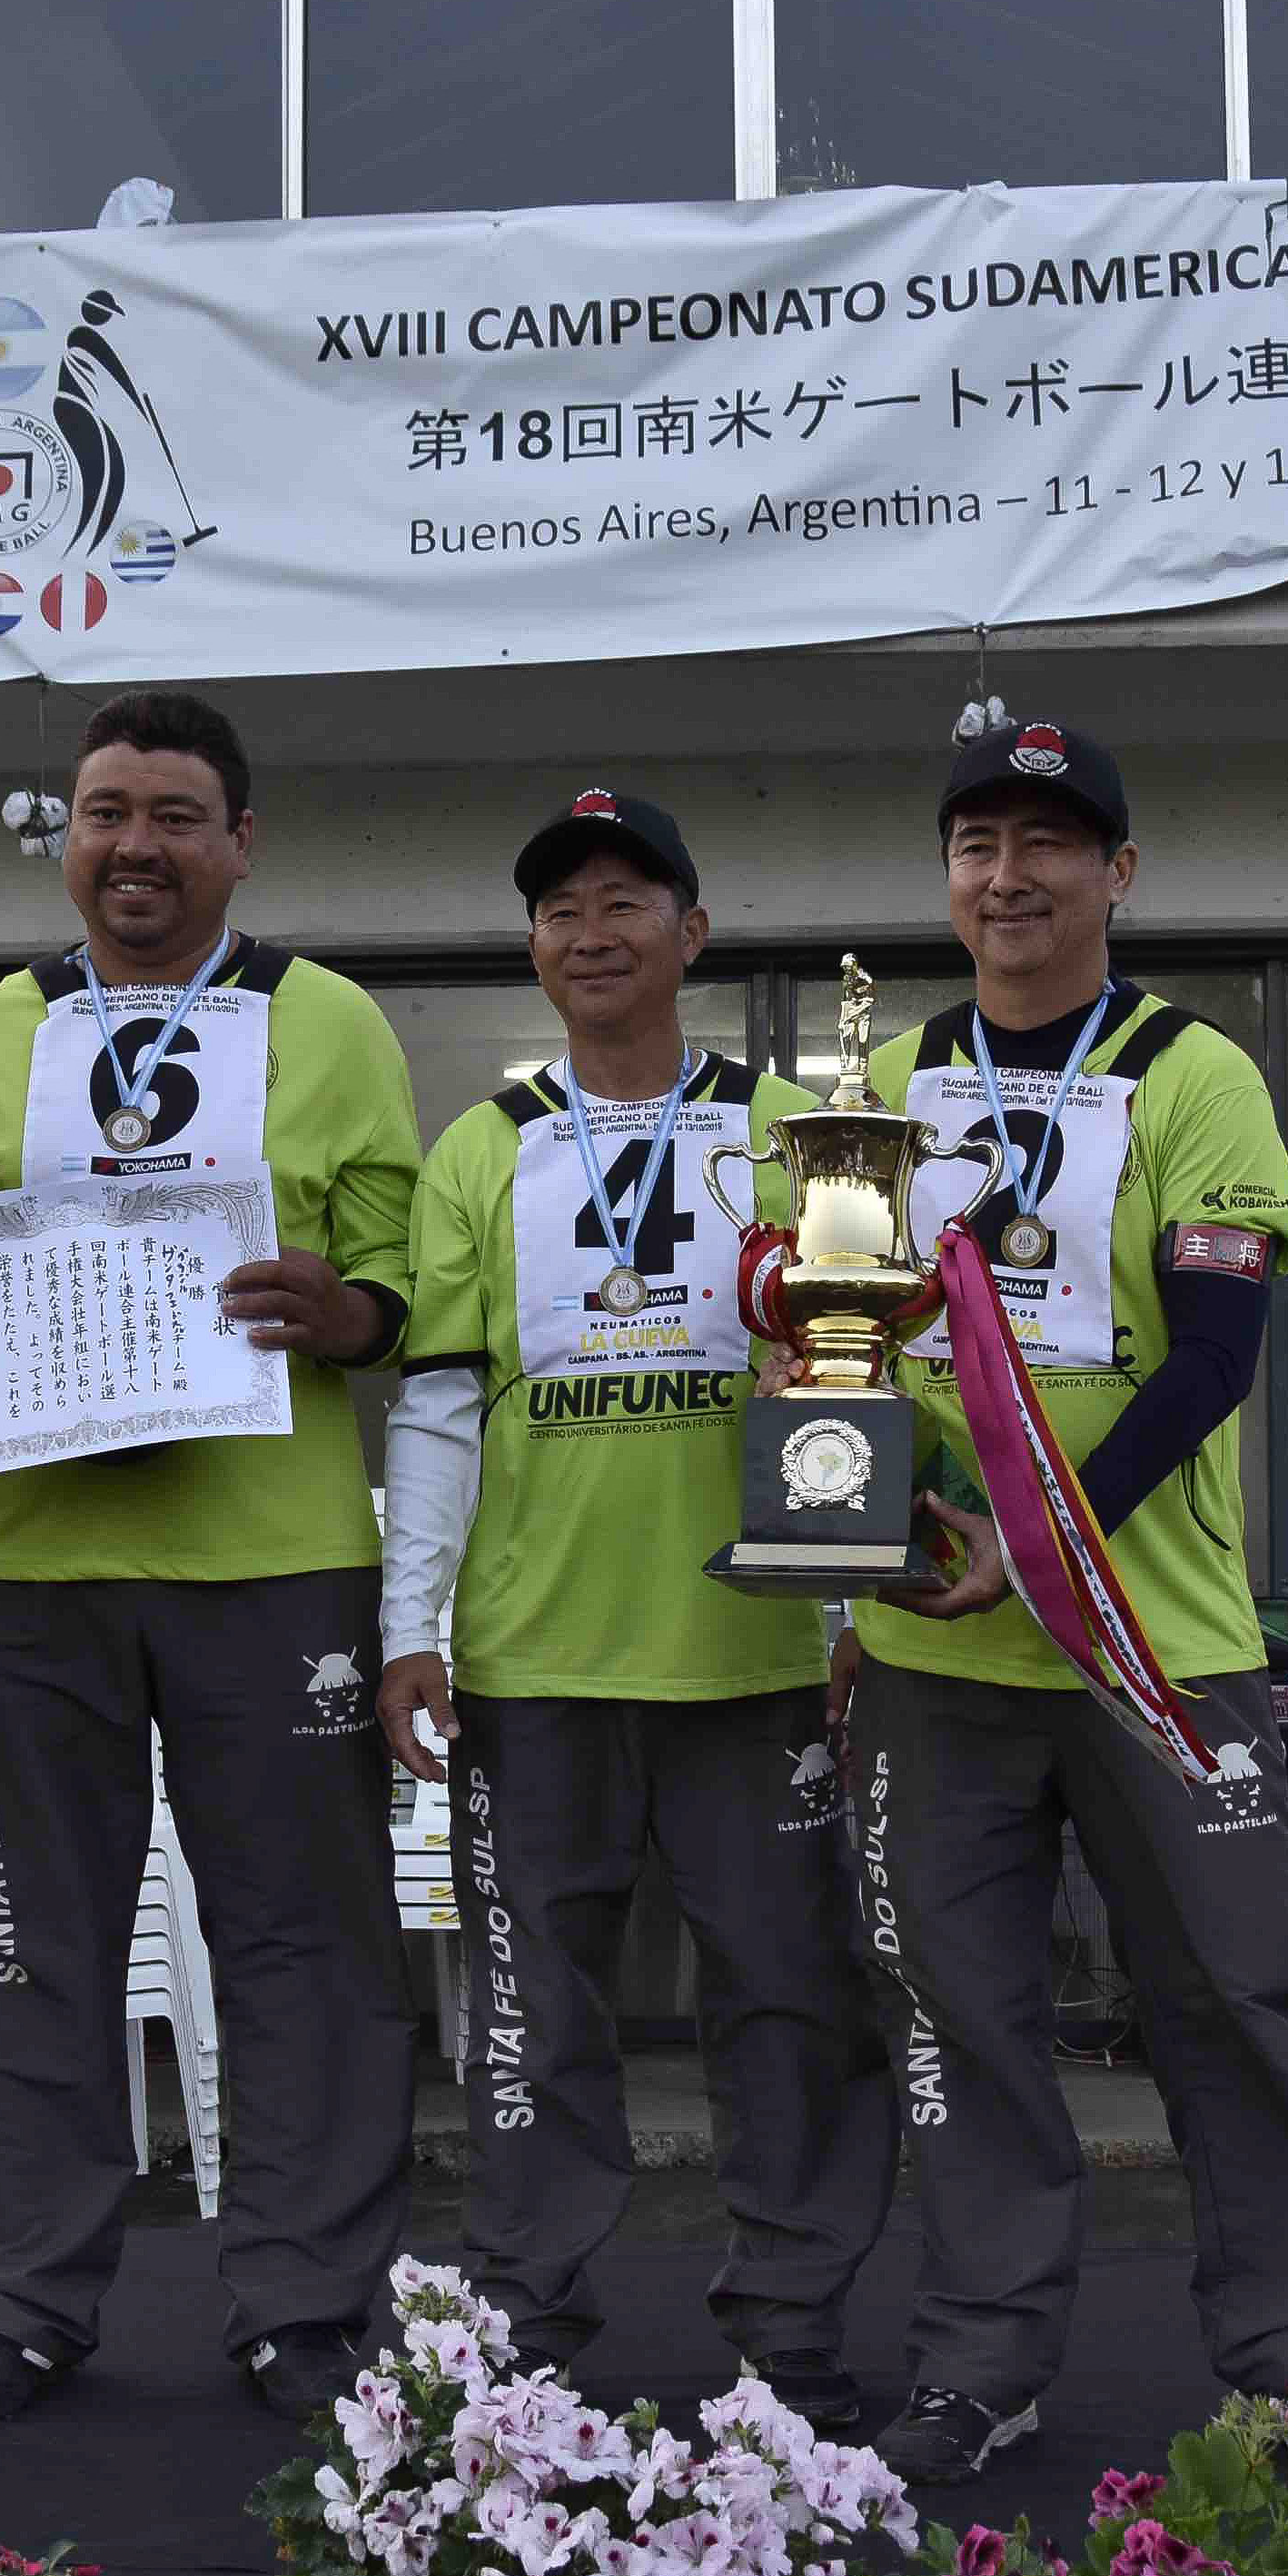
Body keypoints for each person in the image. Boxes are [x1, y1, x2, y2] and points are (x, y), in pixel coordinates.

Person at [0, 690, 421, 2422]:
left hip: (274, 1556)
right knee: (23, 1940)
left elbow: (399, 1282)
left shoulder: (334, 1025)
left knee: (302, 1941)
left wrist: (348, 1307)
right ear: (63, 836)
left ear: (240, 840)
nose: (134, 844)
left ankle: (304, 2304)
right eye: (102, 811)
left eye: (173, 813)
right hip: (20, 1560)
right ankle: (22, 2301)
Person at [840, 714, 1288, 2487]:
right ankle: (979, 2361)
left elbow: (1216, 1354)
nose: (1006, 877)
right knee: (967, 2022)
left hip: (1165, 1652)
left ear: (1117, 874)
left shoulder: (1193, 1073)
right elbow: (836, 1356)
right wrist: (872, 1539)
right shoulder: (879, 1093)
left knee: (1229, 2010)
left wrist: (1053, 1531)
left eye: (1045, 844)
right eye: (974, 846)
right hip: (939, 1653)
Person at [375, 791, 895, 2430]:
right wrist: (412, 1622)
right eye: (560, 910)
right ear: (533, 947)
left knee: (791, 2003)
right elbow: (441, 1405)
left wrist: (847, 1617)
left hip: (751, 1658)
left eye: (626, 901)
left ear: (695, 932)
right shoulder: (481, 1142)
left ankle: (795, 2316)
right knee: (536, 2017)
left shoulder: (790, 1135)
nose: (591, 933)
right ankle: (528, 2311)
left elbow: (848, 1382)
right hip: (536, 1664)